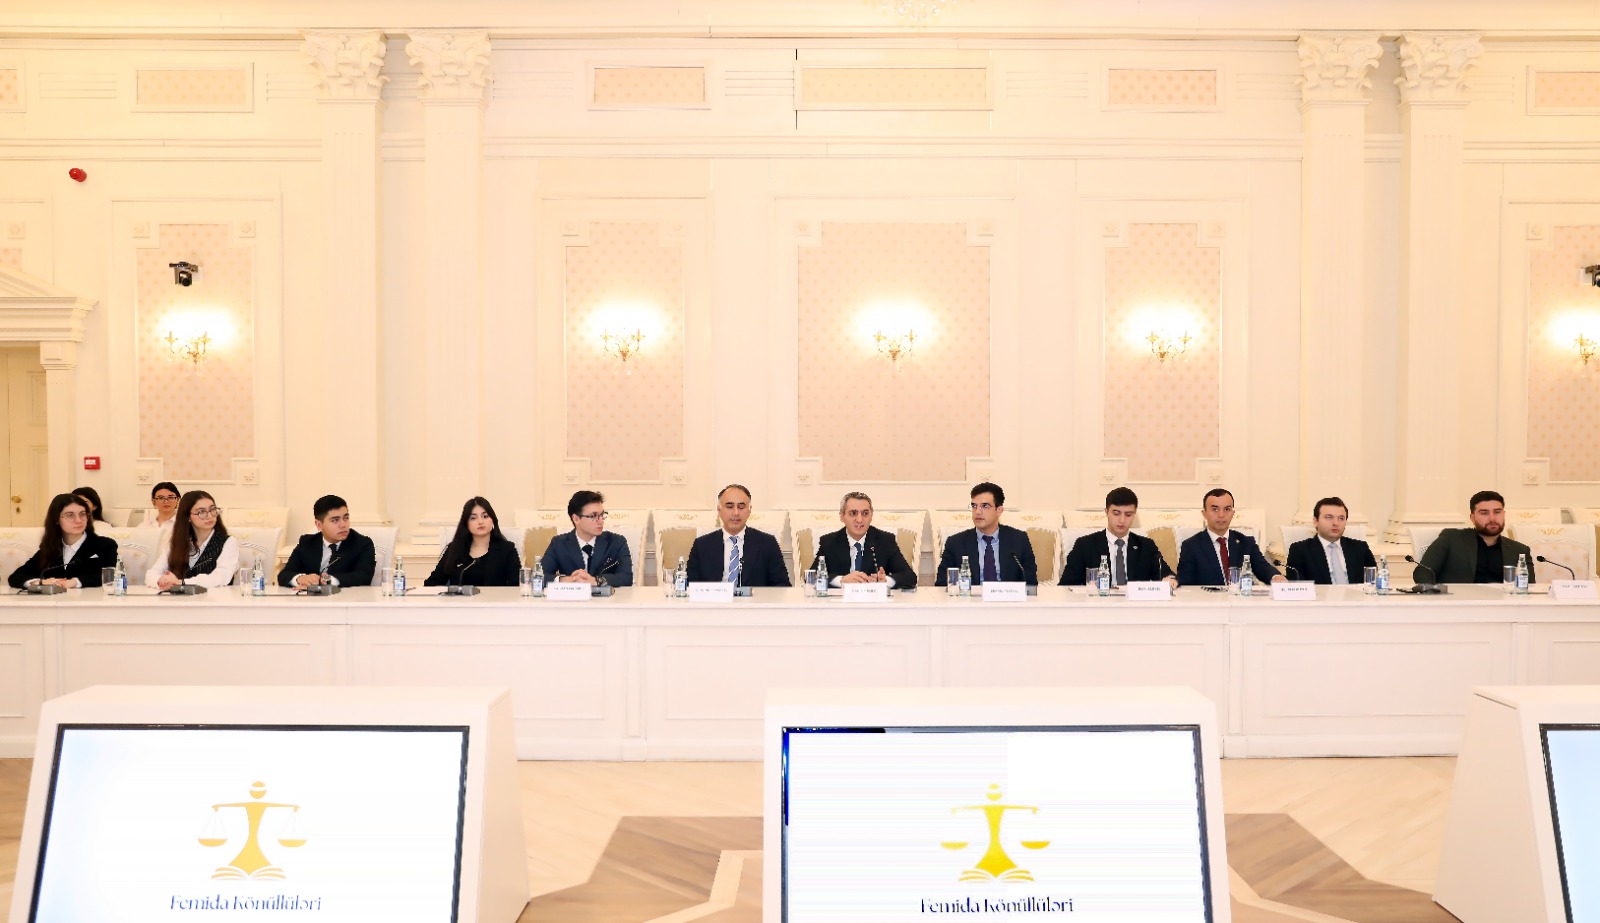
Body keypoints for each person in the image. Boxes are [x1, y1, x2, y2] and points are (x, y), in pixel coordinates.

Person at [1060, 487, 1175, 587]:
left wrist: (1170, 579)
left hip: (1135, 604)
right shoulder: (1085, 545)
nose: (1122, 520)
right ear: (1106, 512)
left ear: (1134, 515)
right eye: (1116, 513)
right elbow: (1066, 585)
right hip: (1098, 603)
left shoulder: (1146, 546)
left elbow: (1165, 574)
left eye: (1128, 514)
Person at [1417, 490, 1536, 585]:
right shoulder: (1451, 539)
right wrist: (1435, 594)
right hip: (1460, 604)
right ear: (1472, 518)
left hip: (1504, 606)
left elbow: (1529, 588)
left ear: (1503, 514)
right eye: (1484, 513)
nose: (1492, 518)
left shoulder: (1520, 550)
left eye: (1497, 512)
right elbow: (1423, 571)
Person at [934, 482, 1038, 586]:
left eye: (984, 506)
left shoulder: (1019, 540)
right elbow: (942, 584)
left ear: (999, 510)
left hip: (1007, 596)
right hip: (970, 596)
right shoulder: (955, 543)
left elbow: (1030, 583)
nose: (978, 512)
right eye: (974, 506)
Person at [684, 484, 790, 586]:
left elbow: (782, 585)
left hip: (755, 598)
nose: (736, 513)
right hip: (714, 598)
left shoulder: (767, 543)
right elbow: (689, 585)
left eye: (741, 507)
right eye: (729, 507)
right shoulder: (702, 545)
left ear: (749, 510)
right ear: (719, 510)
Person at [8, 493, 120, 589]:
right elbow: (16, 577)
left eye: (82, 514)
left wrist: (75, 582)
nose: (78, 520)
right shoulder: (51, 548)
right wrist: (39, 582)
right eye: (70, 515)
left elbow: (110, 577)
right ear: (56, 519)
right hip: (55, 604)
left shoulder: (105, 545)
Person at [1176, 488, 1281, 586]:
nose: (1221, 515)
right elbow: (1185, 582)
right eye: (1215, 509)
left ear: (1232, 513)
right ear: (1204, 514)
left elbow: (1262, 567)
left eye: (1227, 509)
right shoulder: (1191, 546)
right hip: (1208, 598)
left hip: (1240, 598)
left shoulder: (1245, 542)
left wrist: (1275, 577)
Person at [813, 491, 918, 588]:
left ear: (871, 516)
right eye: (853, 513)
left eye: (865, 513)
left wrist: (886, 581)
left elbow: (910, 577)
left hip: (874, 600)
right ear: (842, 516)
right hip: (840, 600)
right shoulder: (829, 542)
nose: (859, 520)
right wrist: (841, 580)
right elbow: (812, 576)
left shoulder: (885, 541)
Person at [277, 494, 377, 589]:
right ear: (319, 525)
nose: (343, 525)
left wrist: (328, 580)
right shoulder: (307, 543)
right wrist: (300, 578)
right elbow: (284, 575)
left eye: (346, 518)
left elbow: (364, 577)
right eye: (335, 520)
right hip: (310, 599)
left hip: (346, 599)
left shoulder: (362, 544)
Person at [145, 490, 241, 589]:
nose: (209, 516)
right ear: (188, 517)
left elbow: (221, 577)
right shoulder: (175, 543)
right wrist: (163, 581)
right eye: (201, 512)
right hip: (179, 598)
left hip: (215, 597)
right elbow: (151, 574)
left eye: (212, 510)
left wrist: (181, 583)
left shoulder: (228, 542)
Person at [540, 490, 634, 587]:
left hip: (607, 596)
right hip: (572, 596)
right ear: (576, 519)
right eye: (593, 516)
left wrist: (595, 581)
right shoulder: (559, 543)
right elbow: (539, 576)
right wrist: (567, 580)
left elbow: (626, 577)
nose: (601, 521)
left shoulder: (616, 542)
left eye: (602, 515)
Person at [425, 496, 520, 587]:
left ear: (493, 520)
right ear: (466, 524)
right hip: (460, 599)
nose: (480, 522)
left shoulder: (507, 550)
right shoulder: (454, 550)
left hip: (495, 599)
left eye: (485, 516)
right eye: (473, 518)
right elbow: (431, 583)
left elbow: (517, 586)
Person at [1285, 497, 1378, 585]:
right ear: (1315, 521)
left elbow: (1373, 582)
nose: (1336, 523)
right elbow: (1297, 586)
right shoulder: (1299, 550)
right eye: (1329, 517)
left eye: (1341, 518)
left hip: (1357, 596)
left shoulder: (1360, 548)